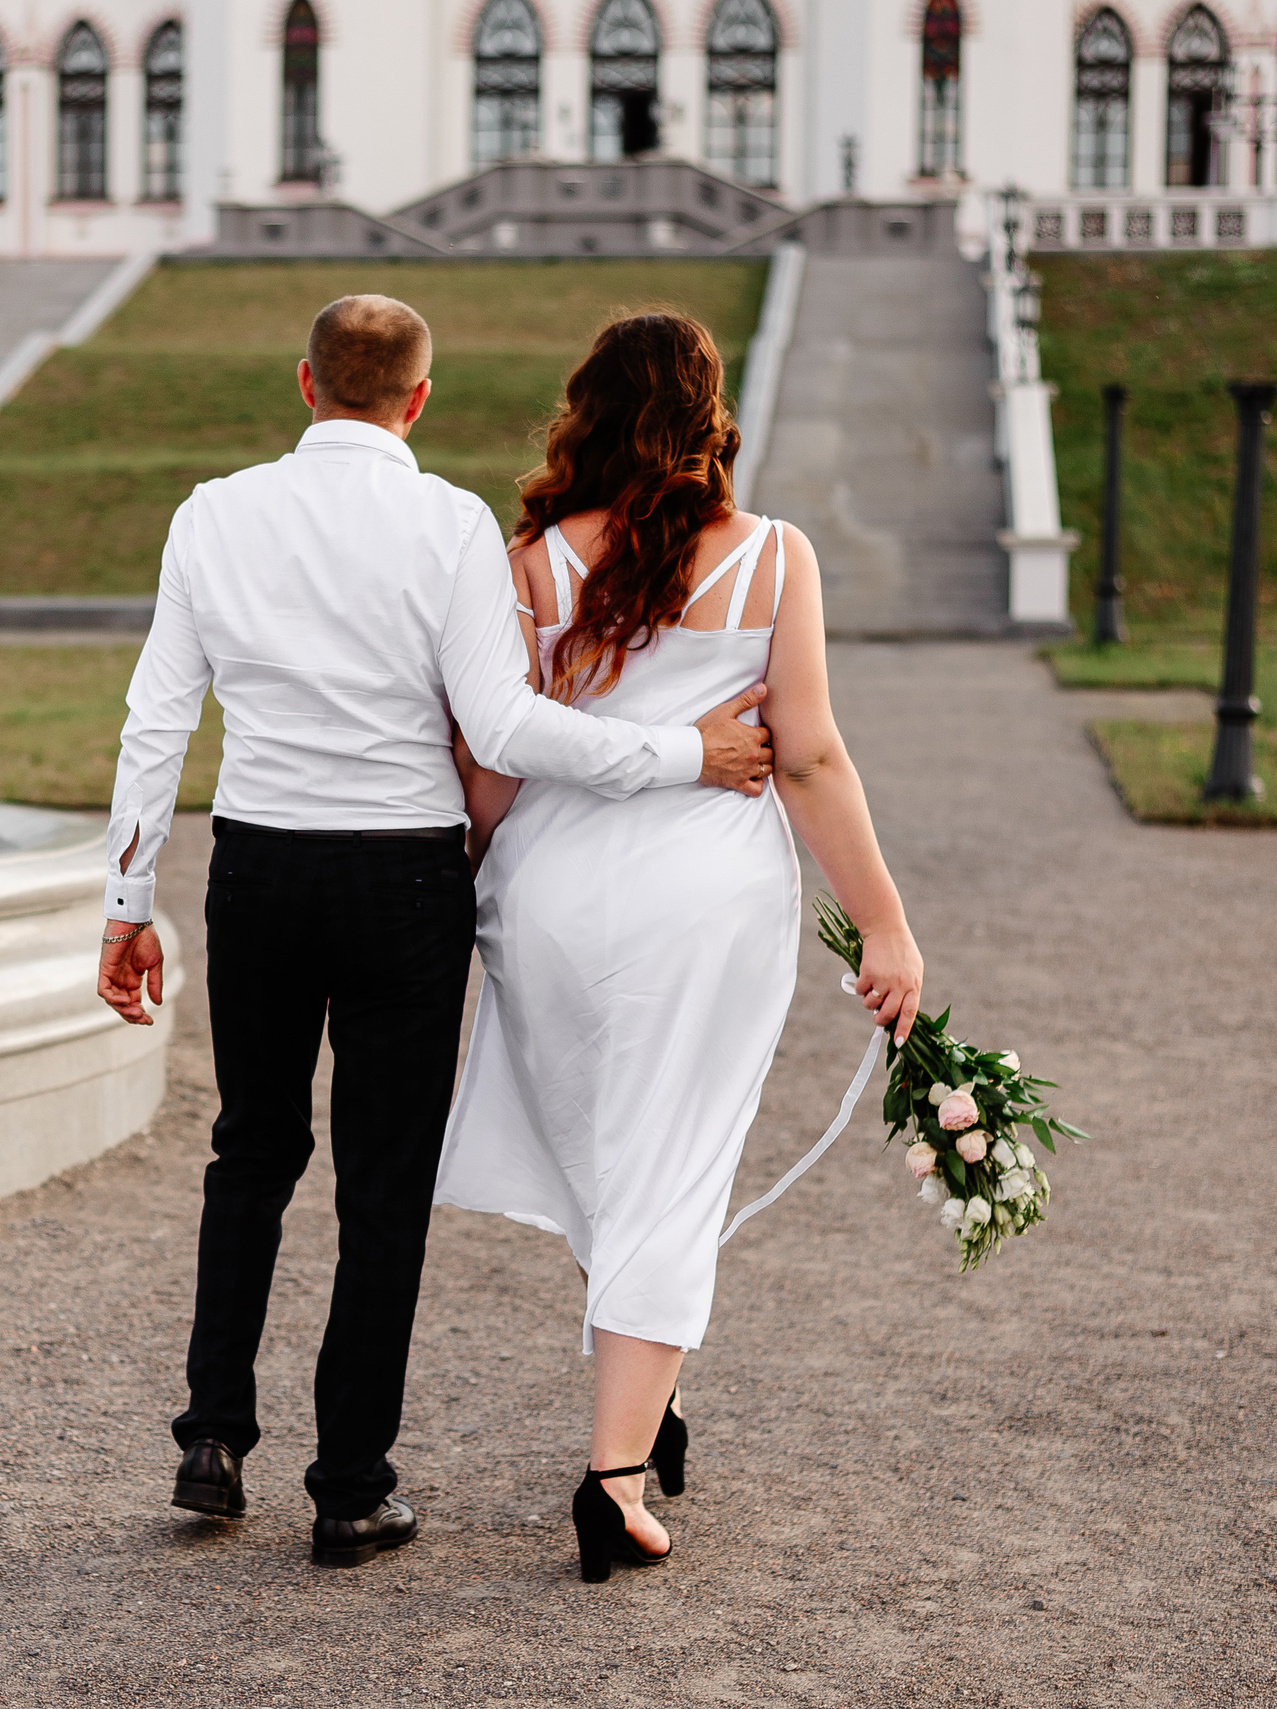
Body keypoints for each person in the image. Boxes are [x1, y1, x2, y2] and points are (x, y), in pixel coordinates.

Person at [95, 295, 777, 1569]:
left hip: (258, 862)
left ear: (306, 383)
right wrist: (686, 753)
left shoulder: (211, 513)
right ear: (417, 399)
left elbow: (156, 722)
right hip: (403, 876)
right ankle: (350, 1487)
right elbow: (504, 729)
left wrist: (126, 906)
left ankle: (212, 1433)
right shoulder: (451, 522)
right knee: (382, 1184)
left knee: (249, 1149)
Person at [435, 309, 925, 1583]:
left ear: (587, 412)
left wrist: (454, 884)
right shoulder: (771, 556)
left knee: (609, 1151)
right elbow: (807, 756)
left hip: (549, 892)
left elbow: (492, 760)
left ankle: (641, 1401)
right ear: (709, 418)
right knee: (670, 1164)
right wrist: (882, 921)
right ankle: (613, 1476)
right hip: (706, 898)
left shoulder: (530, 561)